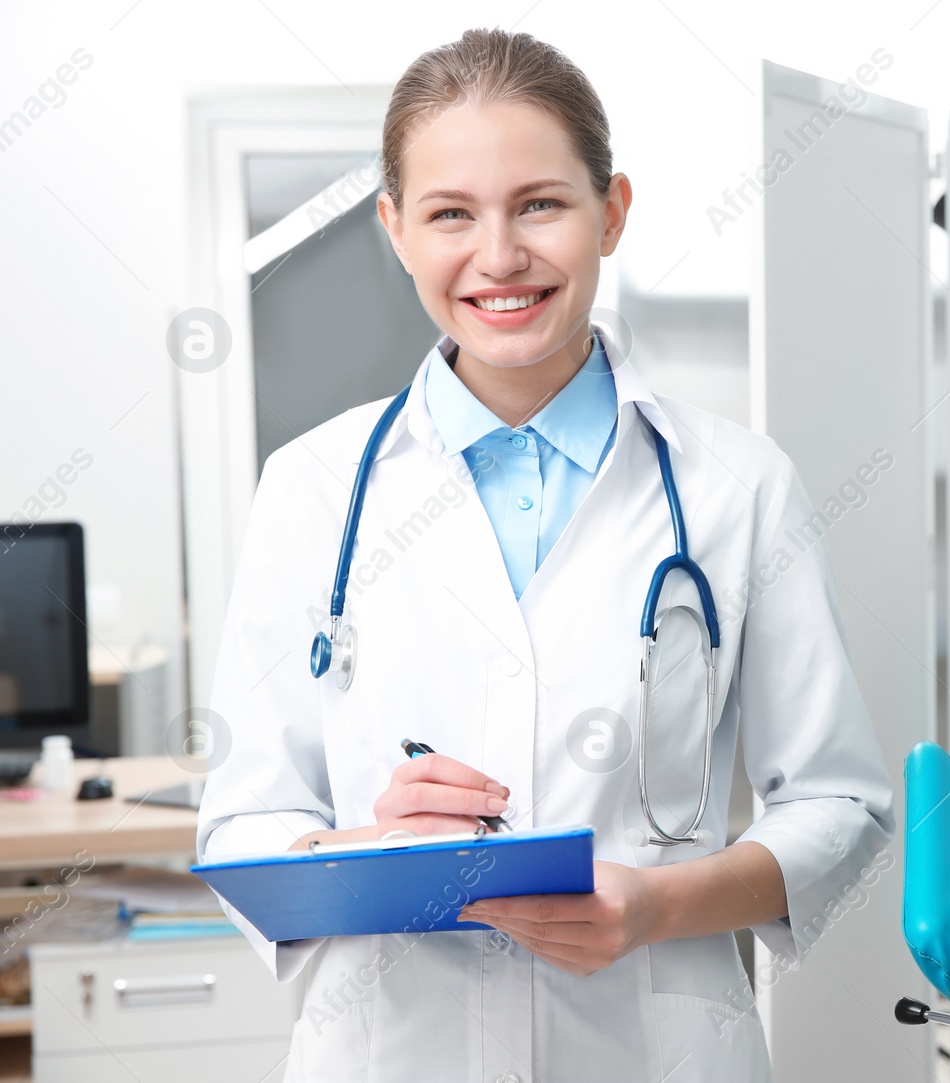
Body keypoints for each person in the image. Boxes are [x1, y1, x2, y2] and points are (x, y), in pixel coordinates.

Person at [194, 27, 895, 1083]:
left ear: (611, 212)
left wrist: (662, 902)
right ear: (394, 230)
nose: (499, 255)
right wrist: (361, 856)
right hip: (394, 1046)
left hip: (652, 1045)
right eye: (449, 214)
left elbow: (839, 802)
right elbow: (248, 818)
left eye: (540, 204)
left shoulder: (737, 484)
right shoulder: (310, 488)